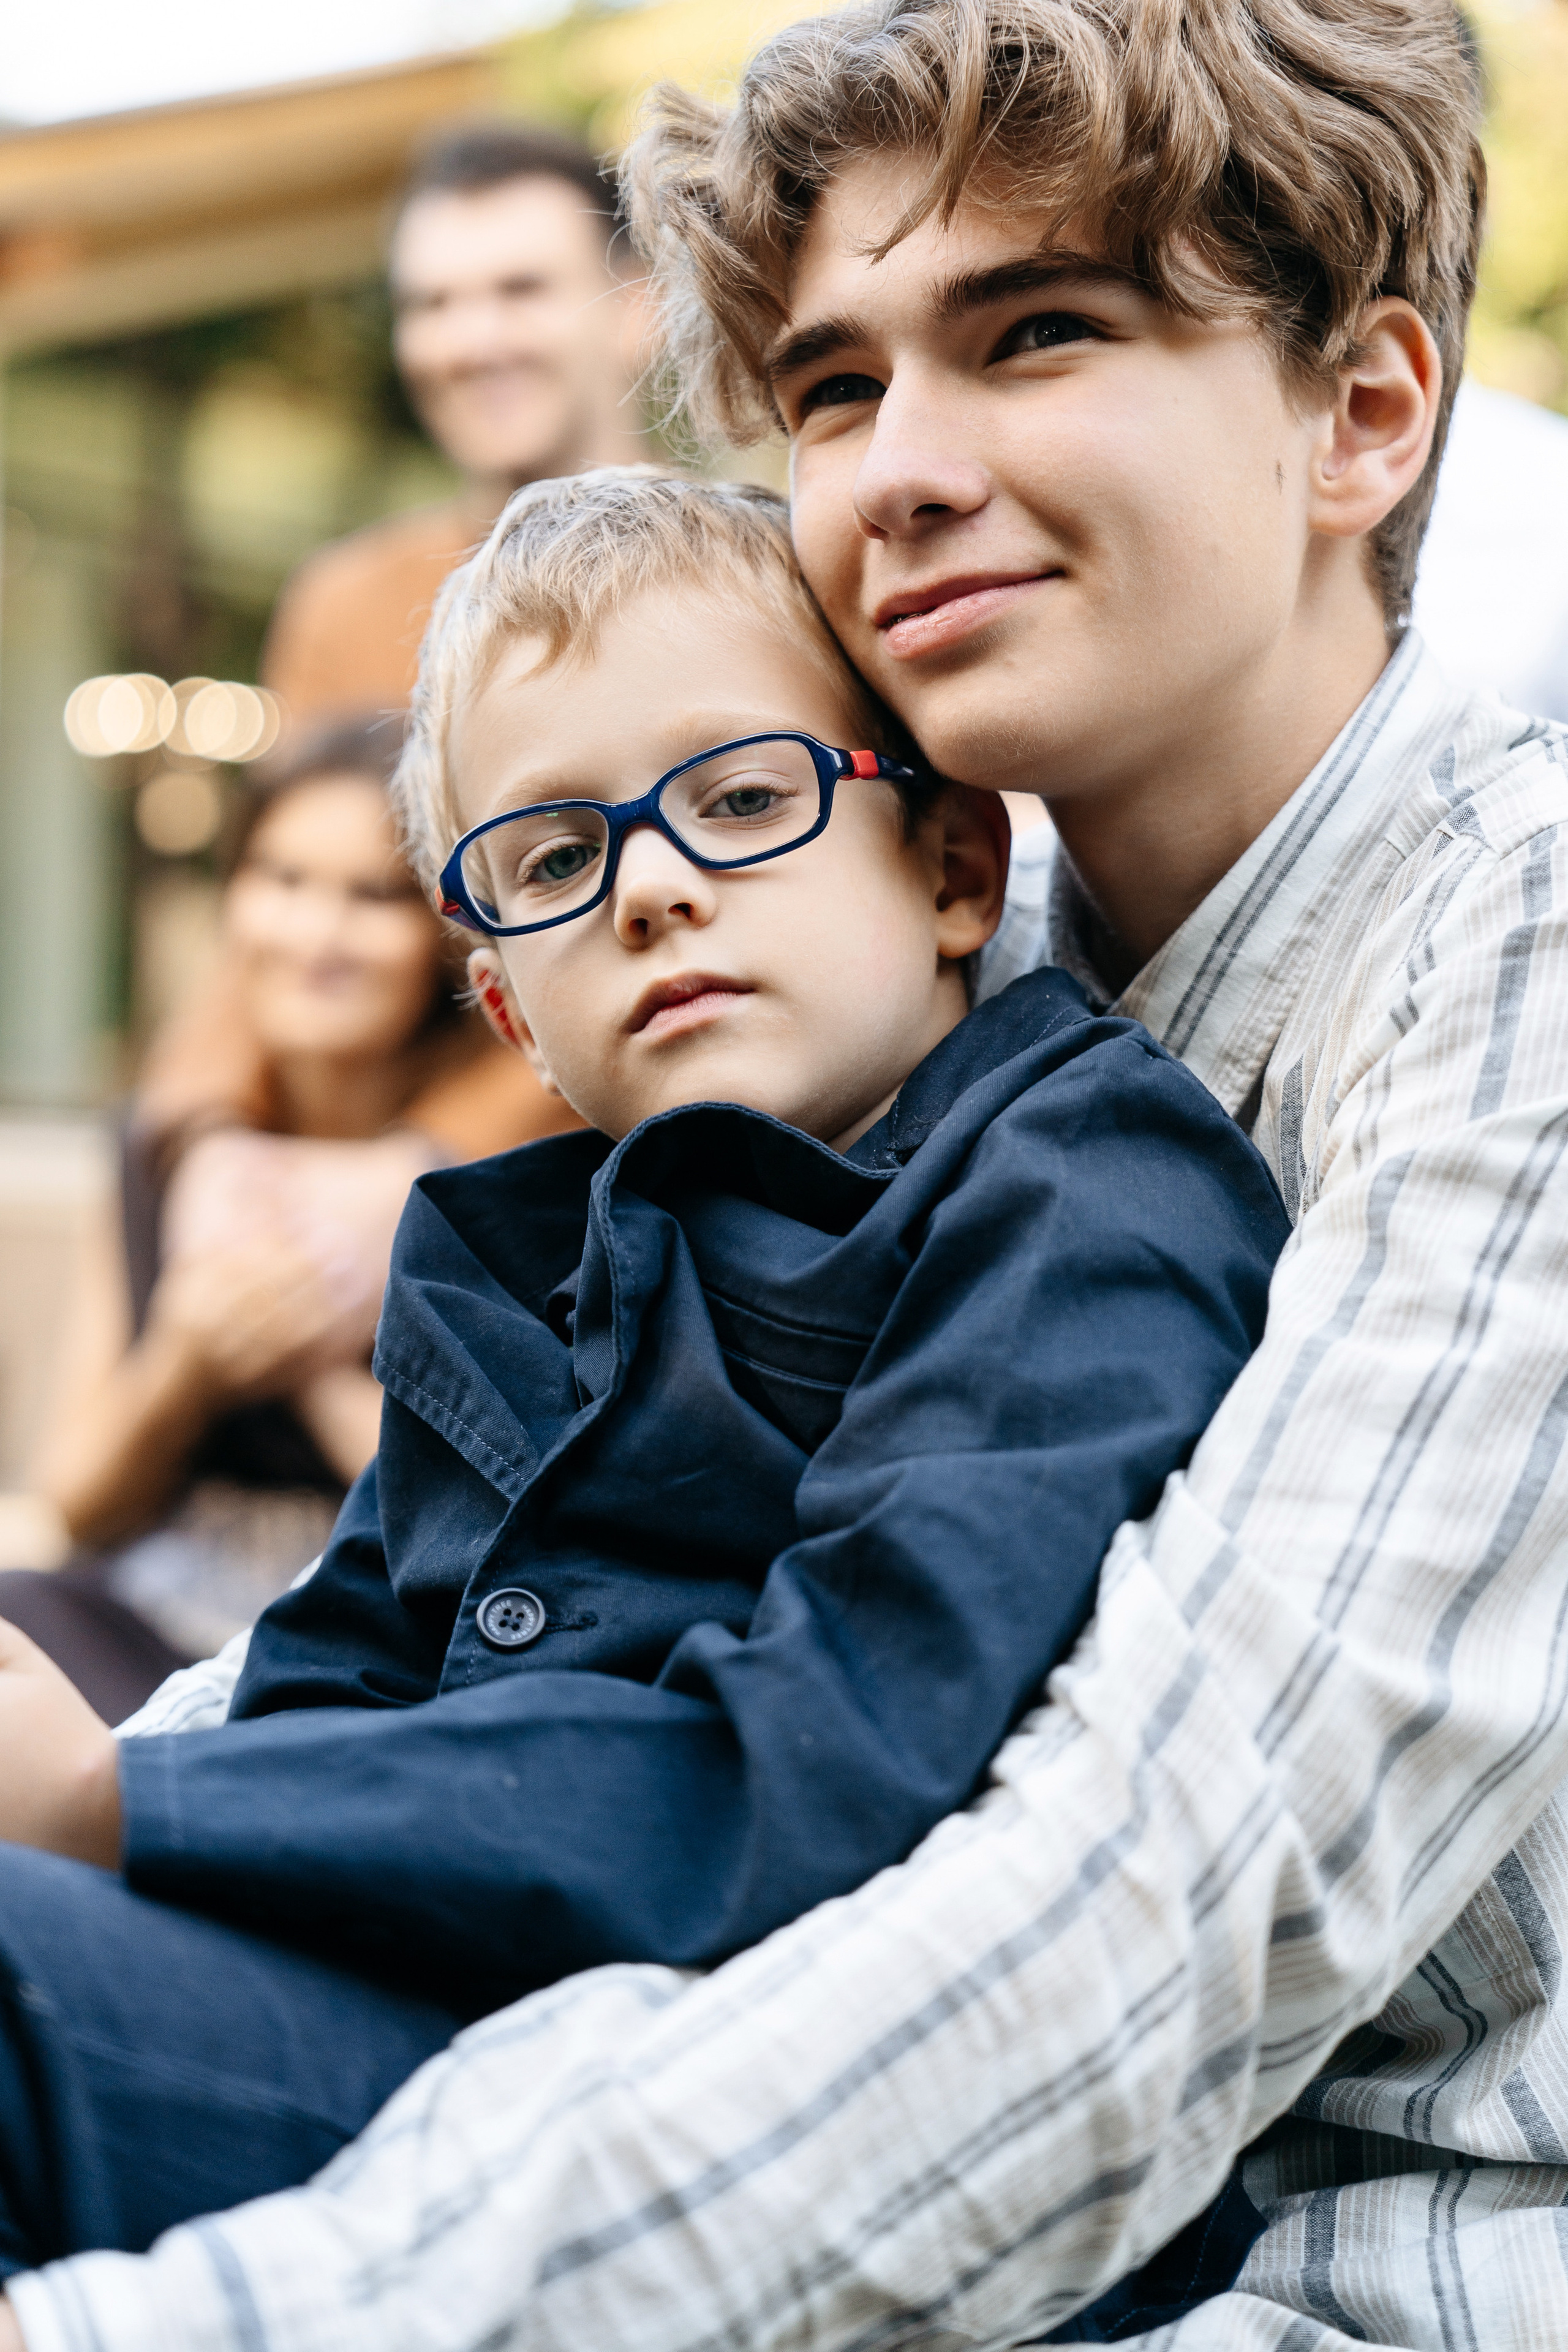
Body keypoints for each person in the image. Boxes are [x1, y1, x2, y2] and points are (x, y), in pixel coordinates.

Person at [6, 1, 1568, 2347]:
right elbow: (422, 1629)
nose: (900, 471)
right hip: (659, 2064)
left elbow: (1134, 1930)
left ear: (1358, 409)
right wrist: (108, 1783)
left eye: (1034, 332)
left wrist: (221, 2313)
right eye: (834, 389)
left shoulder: (1505, 953)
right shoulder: (915, 973)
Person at [0, 467, 1288, 2306]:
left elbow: (828, 1768)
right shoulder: (513, 1256)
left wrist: (119, 1814)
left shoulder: (1066, 1186)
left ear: (950, 865)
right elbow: (335, 1685)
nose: (657, 883)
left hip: (781, 2109)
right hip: (445, 2018)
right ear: (512, 1011)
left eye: (743, 796)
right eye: (548, 856)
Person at [1, 720, 576, 1724]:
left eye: (372, 898)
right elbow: (76, 1506)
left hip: (369, 1640)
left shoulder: (503, 1185)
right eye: (281, 878)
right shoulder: (161, 1150)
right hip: (142, 1615)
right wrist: (186, 1361)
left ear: (444, 931)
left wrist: (313, 1350)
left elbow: (506, 1539)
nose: (316, 936)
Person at [261, 121, 651, 727]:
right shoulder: (345, 609)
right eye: (433, 304)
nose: (473, 343)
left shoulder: (763, 574)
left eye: (521, 289)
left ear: (636, 308)